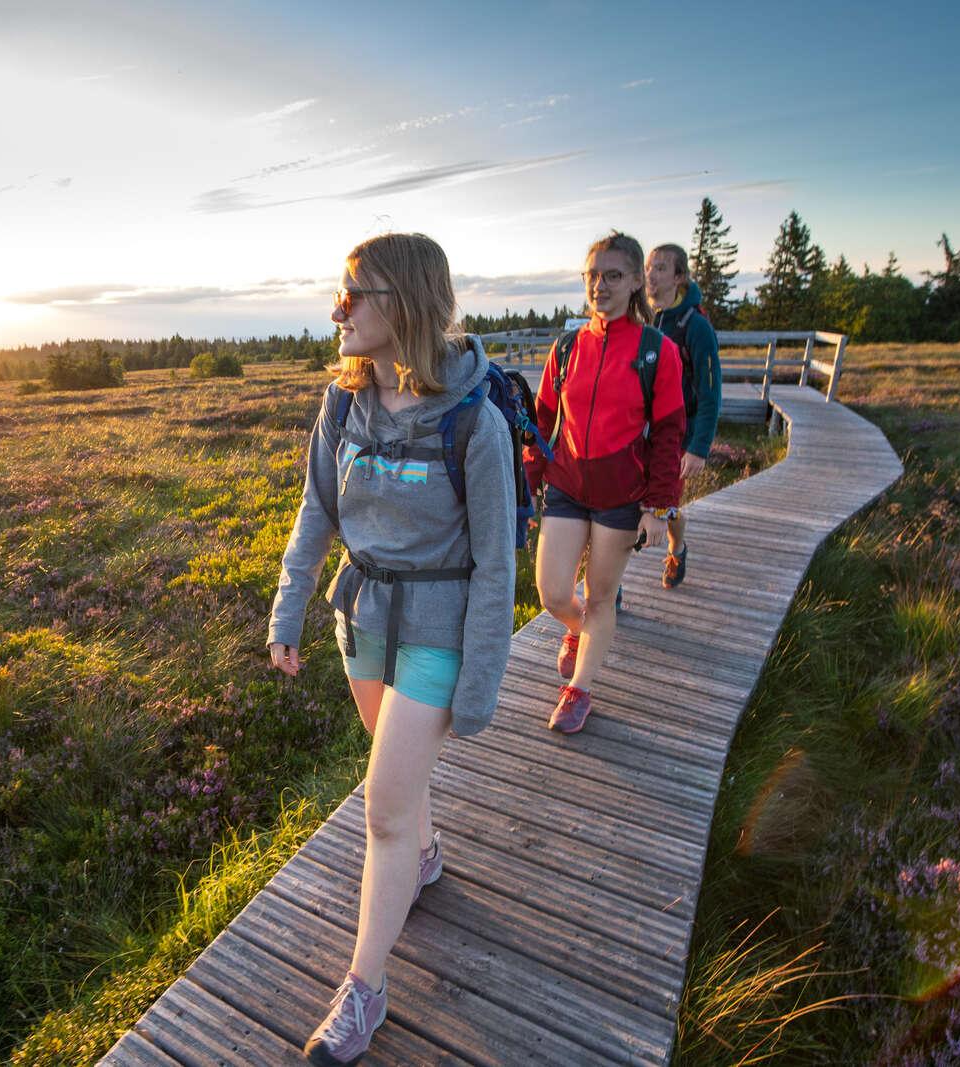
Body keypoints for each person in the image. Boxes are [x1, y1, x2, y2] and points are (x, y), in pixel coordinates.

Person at [267, 232, 516, 1066]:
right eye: (339, 291)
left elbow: (496, 564)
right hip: (362, 621)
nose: (338, 308)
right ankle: (429, 852)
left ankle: (365, 987)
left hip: (438, 632)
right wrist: (288, 608)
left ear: (404, 303)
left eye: (355, 293)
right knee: (398, 785)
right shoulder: (342, 404)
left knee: (379, 808)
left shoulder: (473, 421)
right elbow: (316, 512)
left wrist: (479, 684)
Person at [523, 232, 685, 733]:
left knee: (599, 595)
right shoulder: (568, 347)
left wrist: (658, 508)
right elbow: (541, 423)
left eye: (613, 276)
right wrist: (524, 485)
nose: (600, 286)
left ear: (637, 281)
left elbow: (669, 433)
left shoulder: (657, 352)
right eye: (593, 275)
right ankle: (579, 632)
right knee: (551, 592)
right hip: (567, 484)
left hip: (621, 497)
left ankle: (580, 691)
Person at [645, 242, 722, 588]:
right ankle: (609, 587)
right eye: (648, 267)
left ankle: (677, 547)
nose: (651, 274)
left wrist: (699, 447)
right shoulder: (645, 318)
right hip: (641, 430)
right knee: (622, 501)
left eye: (661, 268)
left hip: (680, 432)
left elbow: (710, 390)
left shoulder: (696, 326)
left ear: (679, 277)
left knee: (667, 501)